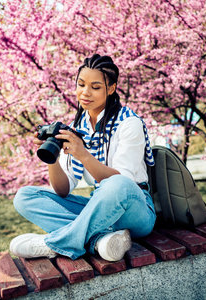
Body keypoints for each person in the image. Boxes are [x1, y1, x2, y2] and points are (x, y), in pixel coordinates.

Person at [10, 54, 156, 262]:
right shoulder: (80, 128)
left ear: (112, 88)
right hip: (100, 209)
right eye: (81, 84)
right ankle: (101, 240)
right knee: (25, 197)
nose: (85, 93)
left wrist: (83, 154)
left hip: (135, 210)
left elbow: (122, 184)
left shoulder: (129, 123)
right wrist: (53, 156)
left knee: (116, 184)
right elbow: (62, 190)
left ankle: (54, 244)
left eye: (95, 87)